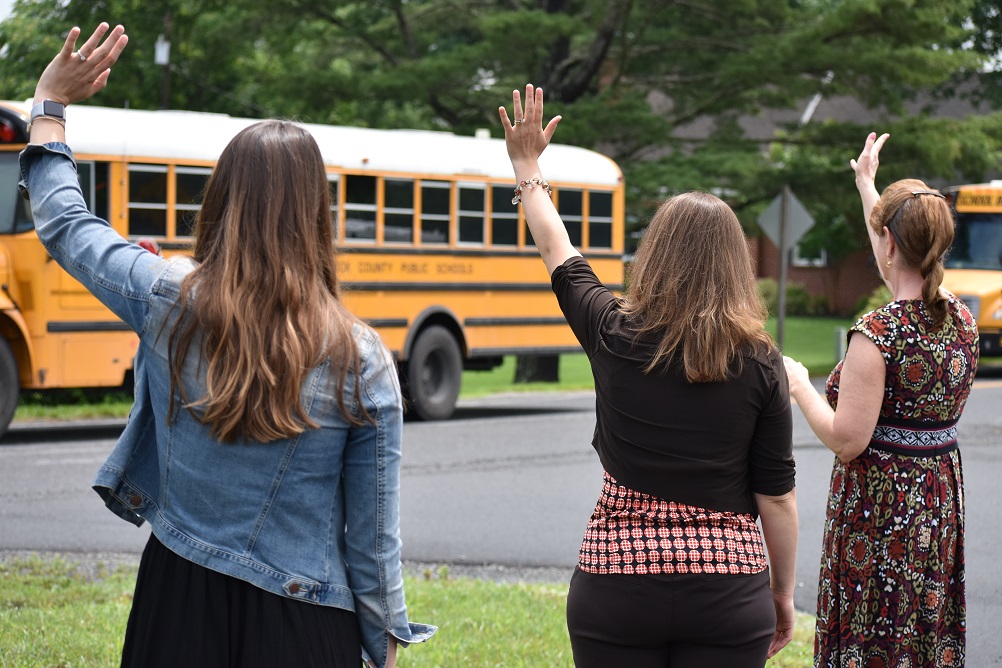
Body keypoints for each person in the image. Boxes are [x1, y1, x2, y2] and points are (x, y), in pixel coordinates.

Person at [18, 24, 434, 668]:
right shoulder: (362, 359)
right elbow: (373, 538)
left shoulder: (164, 296)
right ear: (316, 215)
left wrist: (49, 104)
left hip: (177, 596)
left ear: (221, 200)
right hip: (305, 616)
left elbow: (67, 225)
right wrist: (382, 638)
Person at [499, 84, 798, 667]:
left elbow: (559, 254)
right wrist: (782, 594)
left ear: (653, 254)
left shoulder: (612, 334)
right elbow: (777, 498)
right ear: (737, 264)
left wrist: (527, 166)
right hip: (728, 590)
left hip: (615, 587)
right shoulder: (760, 360)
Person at [784, 133, 978, 667]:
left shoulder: (877, 333)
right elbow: (897, 263)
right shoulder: (960, 317)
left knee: (876, 630)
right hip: (937, 499)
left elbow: (847, 441)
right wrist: (866, 184)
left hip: (881, 505)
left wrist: (800, 385)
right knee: (921, 628)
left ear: (889, 242)